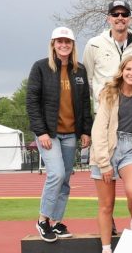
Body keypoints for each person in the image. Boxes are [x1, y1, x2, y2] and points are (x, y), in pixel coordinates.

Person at [26, 27, 93, 241]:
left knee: (65, 179)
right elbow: (32, 102)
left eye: (68, 42)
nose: (64, 45)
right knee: (56, 174)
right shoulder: (40, 67)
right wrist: (41, 132)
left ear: (72, 45)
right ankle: (42, 220)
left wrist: (86, 131)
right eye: (60, 41)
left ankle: (56, 223)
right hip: (49, 134)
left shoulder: (79, 70)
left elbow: (85, 103)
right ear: (53, 44)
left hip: (71, 133)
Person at [90, 56, 132, 253]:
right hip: (106, 148)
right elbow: (99, 129)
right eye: (129, 69)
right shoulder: (110, 93)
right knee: (106, 205)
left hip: (129, 147)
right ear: (122, 71)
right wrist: (104, 163)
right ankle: (106, 252)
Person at [82, 0, 132, 104]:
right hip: (103, 107)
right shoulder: (94, 44)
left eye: (124, 14)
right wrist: (99, 96)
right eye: (115, 14)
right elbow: (87, 78)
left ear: (130, 19)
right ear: (109, 18)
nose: (120, 17)